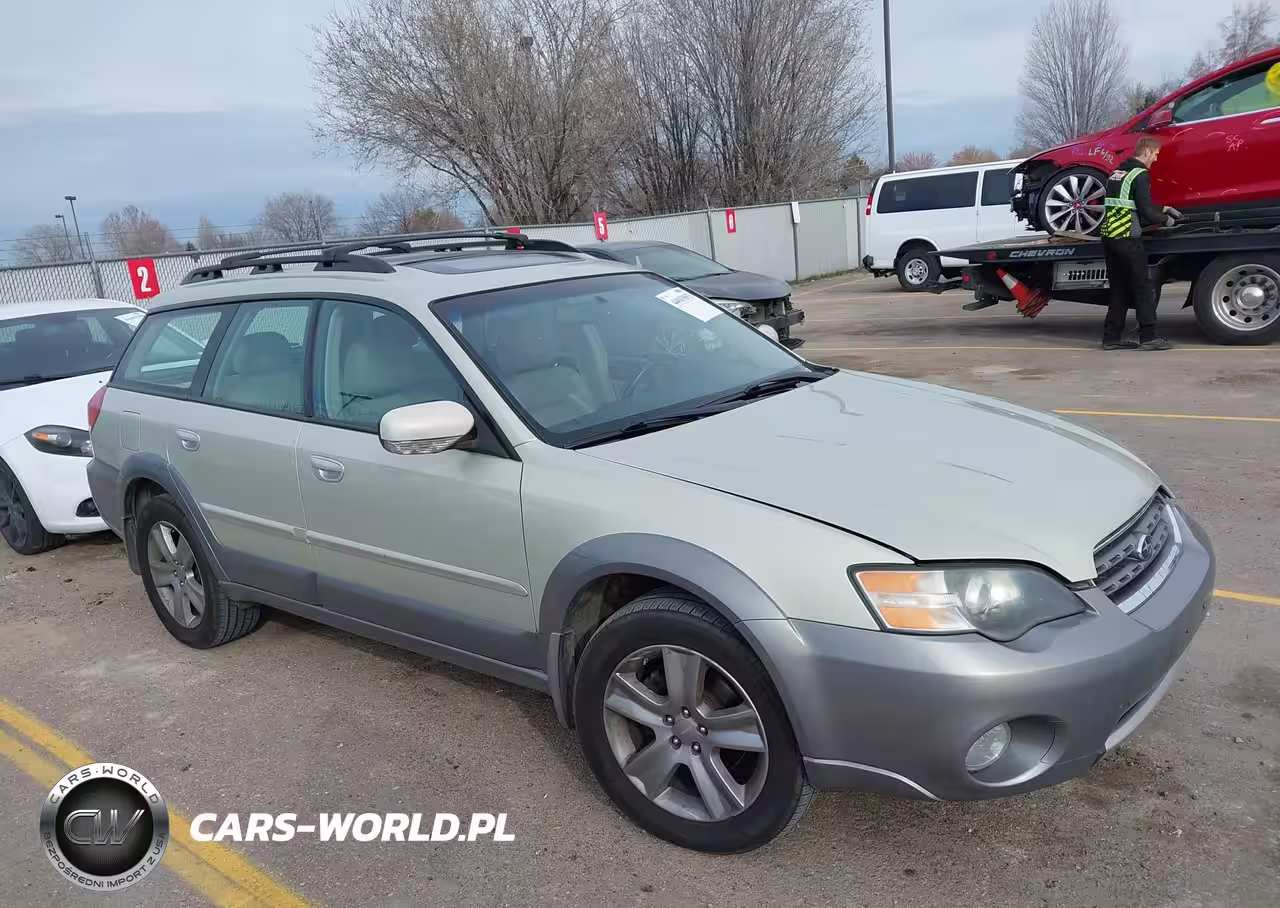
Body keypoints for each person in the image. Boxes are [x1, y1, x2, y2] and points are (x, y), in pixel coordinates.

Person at [1099, 136, 1182, 351]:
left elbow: (1129, 201)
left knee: (1119, 289)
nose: (1155, 160)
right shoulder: (1140, 173)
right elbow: (1145, 211)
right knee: (1143, 287)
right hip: (1128, 237)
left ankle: (1111, 338)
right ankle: (1149, 337)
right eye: (1155, 155)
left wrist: (1162, 208)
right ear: (1146, 152)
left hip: (1110, 236)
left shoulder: (1117, 172)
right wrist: (1165, 219)